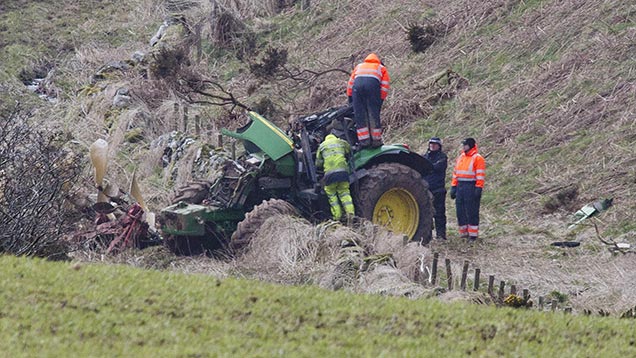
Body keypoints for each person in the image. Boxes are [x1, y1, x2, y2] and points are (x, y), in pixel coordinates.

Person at [346, 53, 390, 148]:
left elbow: (350, 84)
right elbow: (384, 86)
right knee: (373, 114)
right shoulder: (381, 68)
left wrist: (350, 99)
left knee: (360, 115)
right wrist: (380, 100)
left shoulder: (359, 66)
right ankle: (375, 140)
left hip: (357, 89)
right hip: (372, 88)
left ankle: (364, 141)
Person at [450, 138, 485, 241]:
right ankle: (464, 233)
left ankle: (473, 235)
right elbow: (456, 173)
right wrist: (453, 186)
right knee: (460, 210)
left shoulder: (478, 158)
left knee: (471, 211)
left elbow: (480, 174)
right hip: (460, 186)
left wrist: (478, 187)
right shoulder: (461, 157)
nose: (463, 147)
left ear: (470, 145)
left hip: (471, 186)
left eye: (465, 145)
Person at [316, 129, 355, 221]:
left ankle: (337, 217)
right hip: (343, 174)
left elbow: (318, 163)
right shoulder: (341, 142)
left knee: (332, 196)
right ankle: (350, 214)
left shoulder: (322, 146)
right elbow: (349, 150)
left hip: (330, 176)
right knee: (345, 193)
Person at [423, 137, 448, 240]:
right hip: (426, 190)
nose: (432, 145)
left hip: (438, 189)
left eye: (434, 144)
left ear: (439, 146)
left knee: (439, 214)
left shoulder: (442, 157)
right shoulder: (425, 156)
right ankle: (427, 236)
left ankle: (441, 235)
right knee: (426, 214)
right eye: (431, 144)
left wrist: (427, 167)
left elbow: (436, 167)